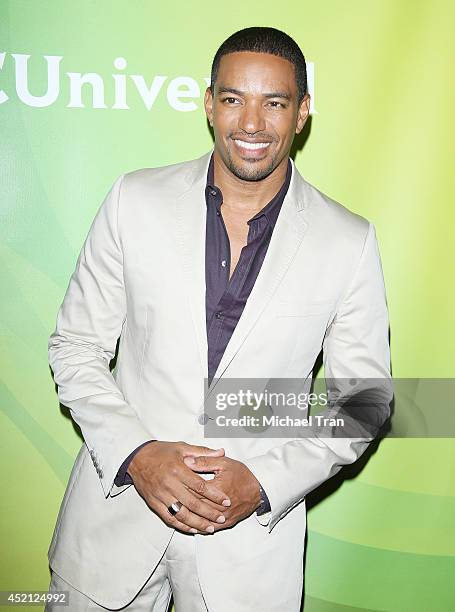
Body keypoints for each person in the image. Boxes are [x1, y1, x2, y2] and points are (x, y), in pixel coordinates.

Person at [46, 26, 392, 612]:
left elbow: (364, 401)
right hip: (112, 529)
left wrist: (262, 482)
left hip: (251, 551)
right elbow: (75, 347)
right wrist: (138, 454)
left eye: (275, 103)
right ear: (210, 104)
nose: (252, 123)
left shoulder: (348, 240)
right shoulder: (135, 200)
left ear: (303, 112)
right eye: (234, 99)